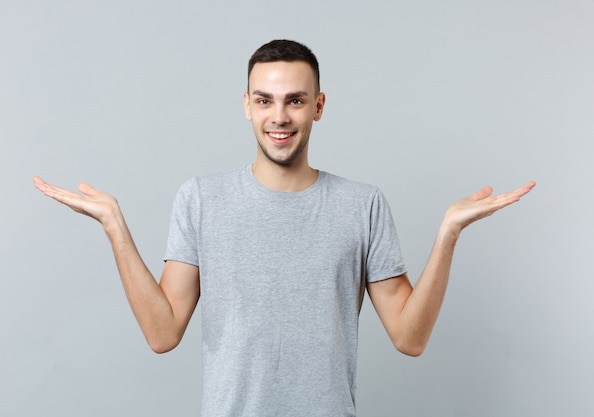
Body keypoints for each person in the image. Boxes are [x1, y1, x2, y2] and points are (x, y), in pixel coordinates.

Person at [33, 39, 535, 417]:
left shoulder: (363, 205)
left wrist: (448, 233)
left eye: (295, 100)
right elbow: (162, 333)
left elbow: (410, 337)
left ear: (317, 107)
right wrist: (115, 228)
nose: (279, 116)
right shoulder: (202, 199)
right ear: (247, 105)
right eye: (265, 100)